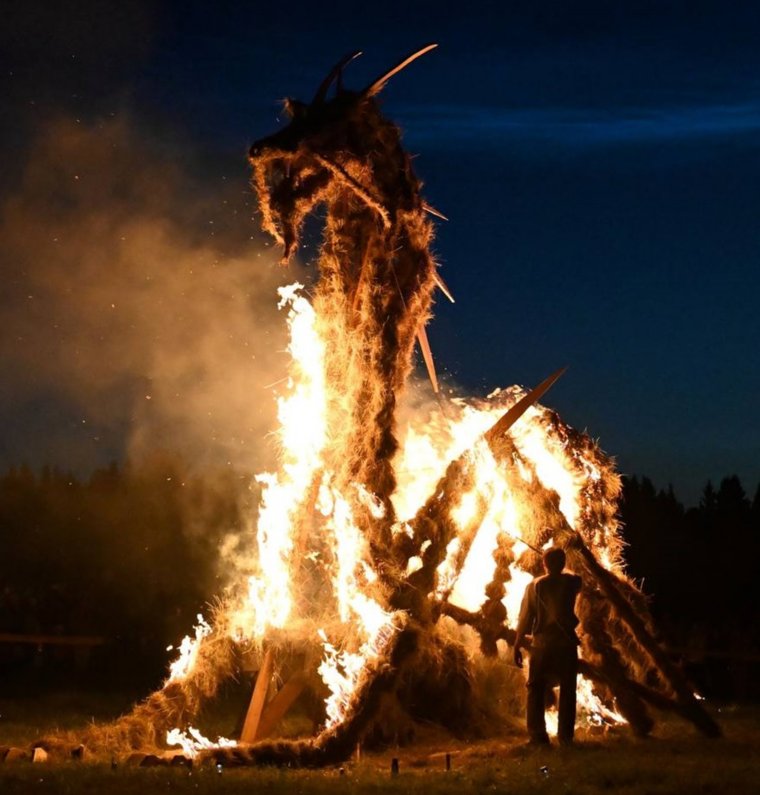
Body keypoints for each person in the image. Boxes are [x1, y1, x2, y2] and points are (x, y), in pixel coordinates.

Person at [513, 546, 582, 746]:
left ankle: (537, 736)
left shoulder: (533, 586)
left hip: (542, 644)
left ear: (544, 564)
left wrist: (517, 644)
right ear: (563, 563)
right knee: (569, 689)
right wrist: (562, 567)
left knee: (535, 688)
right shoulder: (572, 582)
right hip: (566, 643)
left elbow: (525, 618)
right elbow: (578, 579)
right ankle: (566, 737)